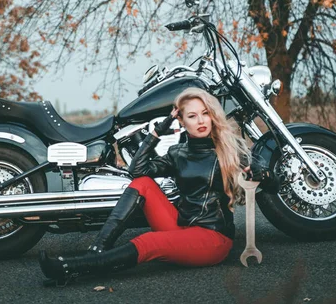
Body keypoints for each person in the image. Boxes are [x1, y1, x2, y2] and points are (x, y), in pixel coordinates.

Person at [38, 87, 258, 285]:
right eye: (192, 115)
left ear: (212, 116)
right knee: (142, 183)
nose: (201, 121)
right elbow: (137, 170)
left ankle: (77, 268)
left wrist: (261, 173)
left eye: (205, 113)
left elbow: (271, 183)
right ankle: (96, 250)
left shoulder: (228, 151)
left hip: (213, 238)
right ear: (181, 120)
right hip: (182, 228)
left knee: (148, 242)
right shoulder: (177, 153)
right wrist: (158, 131)